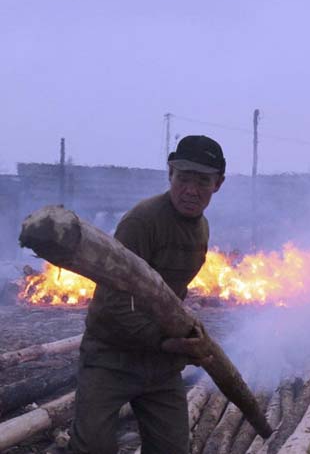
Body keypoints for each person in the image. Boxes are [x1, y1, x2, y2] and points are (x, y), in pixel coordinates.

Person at [69, 135, 226, 454]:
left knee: (172, 449)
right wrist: (163, 340)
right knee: (92, 448)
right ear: (170, 174)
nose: (191, 190)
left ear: (218, 184)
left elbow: (172, 295)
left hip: (160, 363)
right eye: (183, 178)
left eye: (202, 181)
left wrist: (179, 340)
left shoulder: (201, 228)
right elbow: (115, 300)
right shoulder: (142, 222)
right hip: (110, 354)